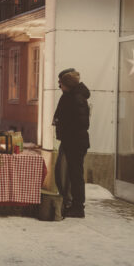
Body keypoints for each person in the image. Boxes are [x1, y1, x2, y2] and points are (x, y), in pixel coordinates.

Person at [53, 68, 90, 218]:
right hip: (71, 141)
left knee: (74, 175)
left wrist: (63, 125)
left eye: (60, 83)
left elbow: (81, 122)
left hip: (75, 142)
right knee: (65, 173)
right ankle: (71, 203)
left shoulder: (76, 98)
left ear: (67, 84)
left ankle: (77, 207)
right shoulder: (70, 96)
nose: (59, 86)